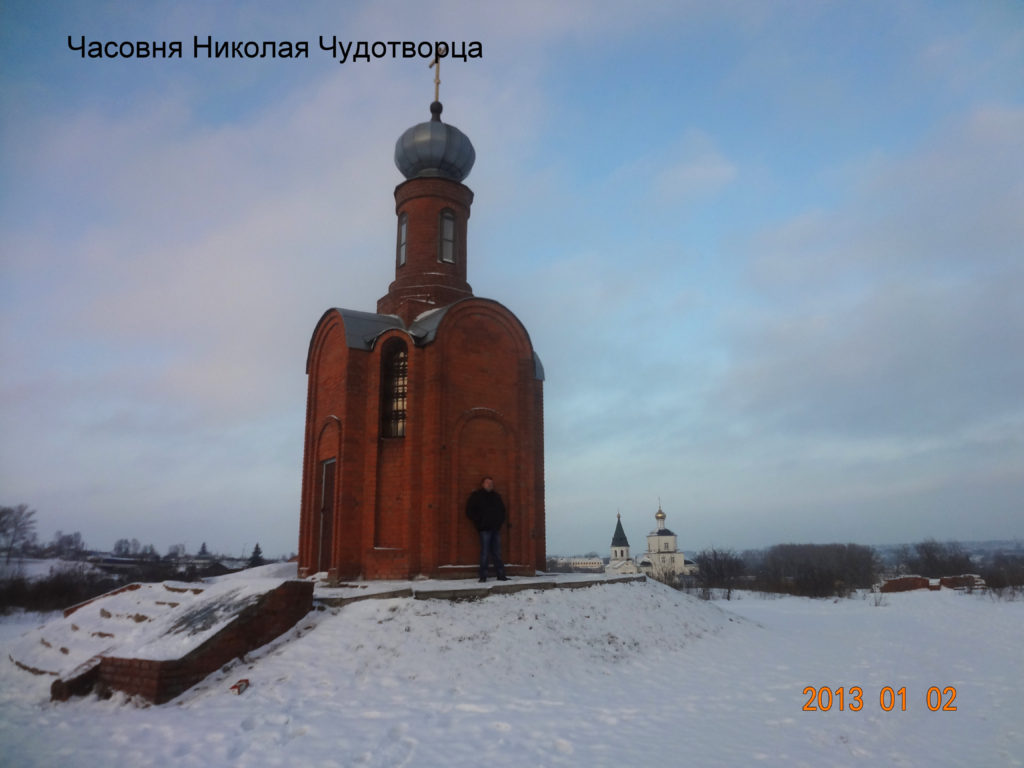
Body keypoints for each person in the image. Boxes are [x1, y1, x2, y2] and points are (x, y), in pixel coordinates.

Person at [465, 476, 509, 582]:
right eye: (488, 483)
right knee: (485, 552)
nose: (490, 485)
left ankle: (501, 575)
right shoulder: (477, 496)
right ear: (483, 484)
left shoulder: (496, 497)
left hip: (495, 529)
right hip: (484, 529)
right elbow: (469, 511)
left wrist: (499, 524)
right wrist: (479, 523)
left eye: (491, 483)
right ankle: (483, 576)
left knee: (497, 552)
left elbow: (502, 511)